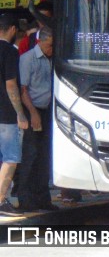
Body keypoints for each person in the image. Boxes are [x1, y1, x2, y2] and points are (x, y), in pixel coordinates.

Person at [16, 26, 58, 212]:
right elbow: (23, 89)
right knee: (30, 155)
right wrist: (32, 114)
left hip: (48, 110)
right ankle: (25, 198)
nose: (51, 50)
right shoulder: (28, 59)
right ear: (40, 42)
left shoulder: (51, 60)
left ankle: (42, 198)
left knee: (44, 155)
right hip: (33, 109)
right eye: (49, 46)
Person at [0, 14, 28, 216]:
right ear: (11, 30)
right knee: (11, 158)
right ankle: (0, 201)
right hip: (6, 115)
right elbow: (11, 85)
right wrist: (21, 114)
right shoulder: (10, 52)